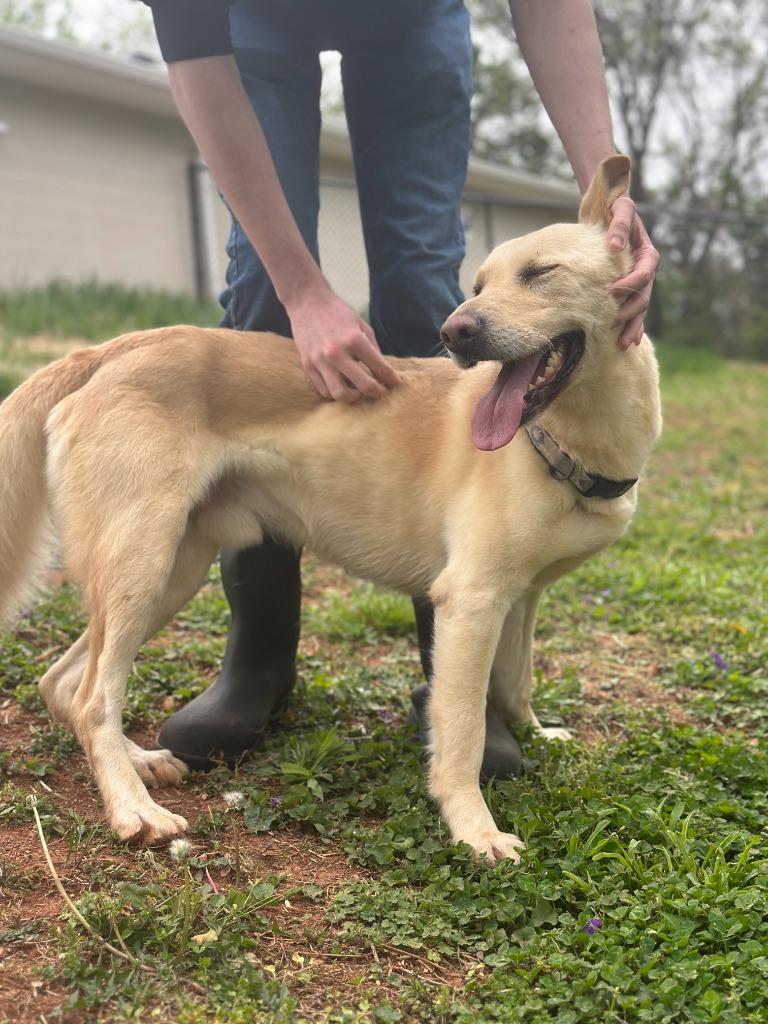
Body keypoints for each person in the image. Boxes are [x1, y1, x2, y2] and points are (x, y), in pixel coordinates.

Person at [142, 0, 659, 778]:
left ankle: (454, 672)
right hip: (251, 23)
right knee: (260, 294)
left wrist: (610, 200)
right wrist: (300, 288)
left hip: (413, 20)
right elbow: (193, 54)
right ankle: (258, 660)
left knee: (422, 281)